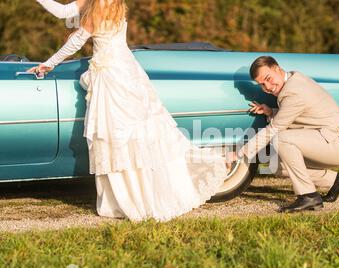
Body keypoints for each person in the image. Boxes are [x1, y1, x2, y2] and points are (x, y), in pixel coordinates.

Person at [28, 0, 229, 222]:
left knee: (116, 135)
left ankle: (132, 200)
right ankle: (146, 193)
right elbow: (64, 11)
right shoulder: (115, 4)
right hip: (128, 71)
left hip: (112, 77)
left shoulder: (98, 8)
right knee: (139, 133)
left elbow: (75, 41)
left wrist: (49, 63)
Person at [228, 56, 339, 212]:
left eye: (269, 79)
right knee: (275, 164)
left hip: (336, 144)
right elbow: (298, 113)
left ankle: (308, 196)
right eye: (262, 84)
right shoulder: (293, 81)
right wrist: (271, 111)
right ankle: (334, 181)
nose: (268, 87)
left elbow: (275, 128)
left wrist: (239, 154)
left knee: (281, 139)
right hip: (322, 139)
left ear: (277, 68)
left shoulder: (294, 91)